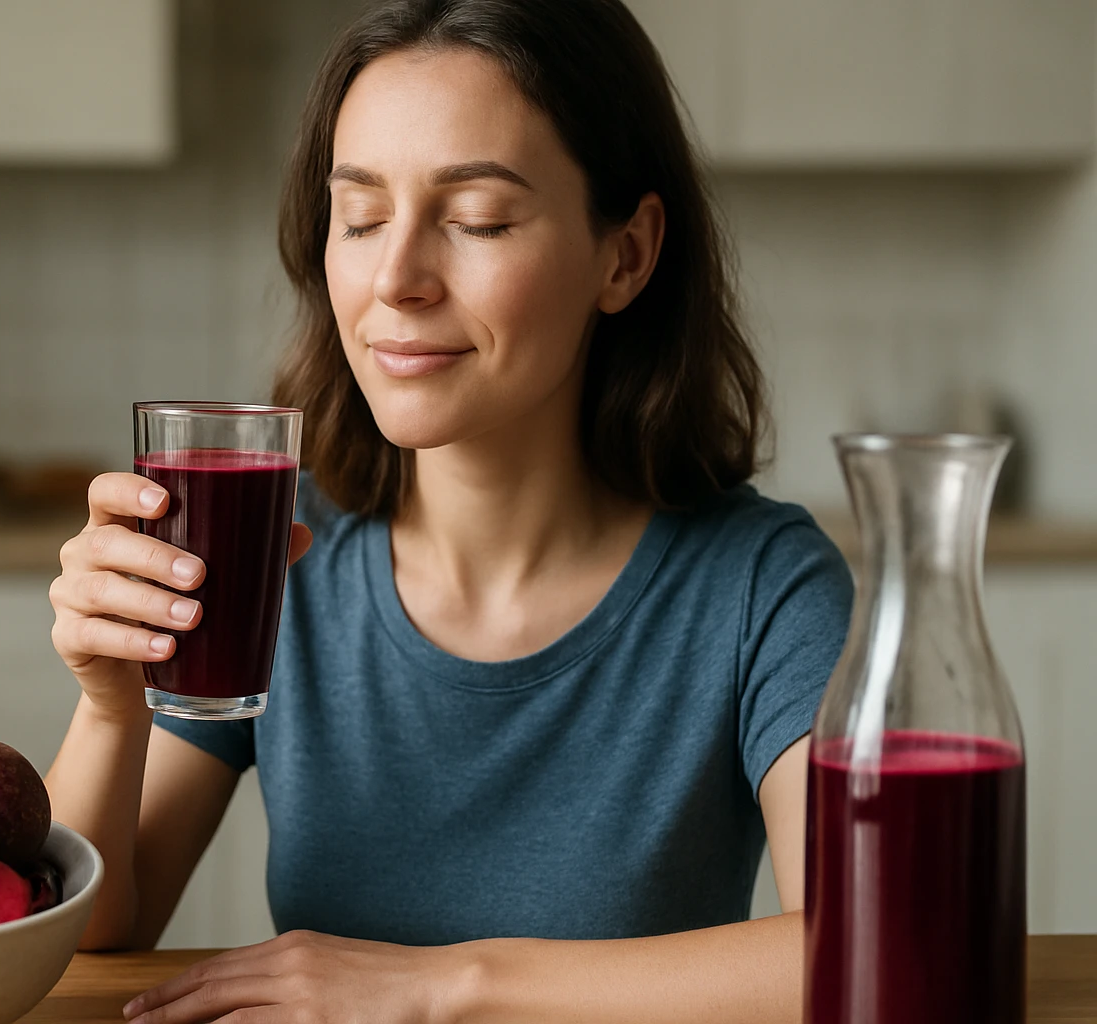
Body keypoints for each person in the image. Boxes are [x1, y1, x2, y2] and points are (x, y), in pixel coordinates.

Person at [45, 1, 852, 1020]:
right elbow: (100, 923)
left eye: (476, 219)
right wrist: (112, 701)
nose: (395, 278)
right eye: (362, 215)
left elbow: (880, 943)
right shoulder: (280, 558)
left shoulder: (761, 587)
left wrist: (439, 985)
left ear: (627, 255)